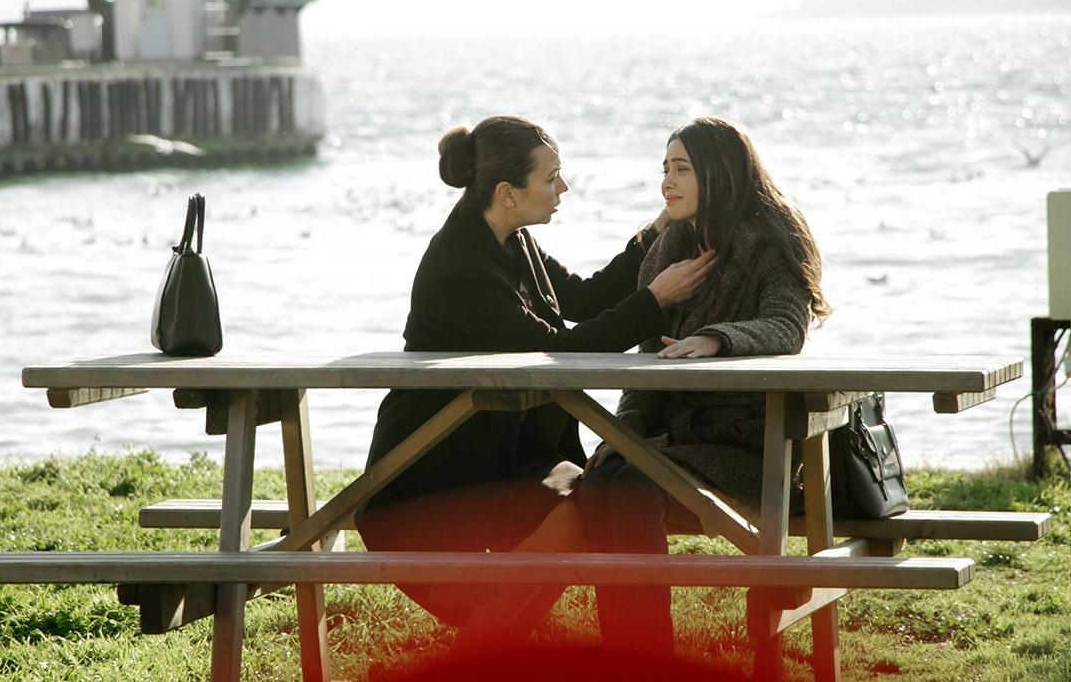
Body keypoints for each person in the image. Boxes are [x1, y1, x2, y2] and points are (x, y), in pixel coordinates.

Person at [354, 114, 717, 650]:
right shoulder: (460, 267)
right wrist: (655, 299)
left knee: (589, 503)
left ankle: (490, 648)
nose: (563, 187)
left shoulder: (511, 238)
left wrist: (660, 227)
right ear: (508, 193)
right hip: (432, 479)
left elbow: (585, 298)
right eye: (550, 178)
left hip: (500, 462)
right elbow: (558, 351)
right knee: (575, 517)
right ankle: (484, 650)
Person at [576, 116, 831, 657]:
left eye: (682, 169)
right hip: (677, 444)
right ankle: (628, 660)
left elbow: (787, 326)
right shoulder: (667, 247)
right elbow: (649, 361)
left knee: (628, 486)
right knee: (600, 483)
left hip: (753, 447)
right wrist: (621, 436)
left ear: (719, 173)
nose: (667, 182)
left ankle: (648, 662)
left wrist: (718, 338)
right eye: (665, 169)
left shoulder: (773, 239)